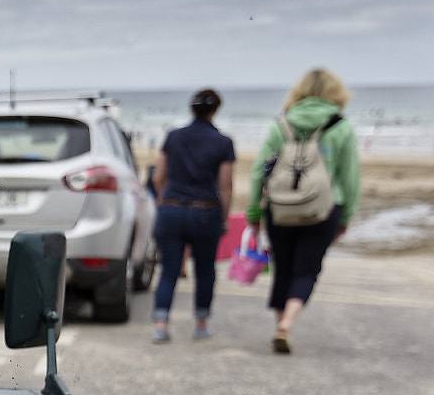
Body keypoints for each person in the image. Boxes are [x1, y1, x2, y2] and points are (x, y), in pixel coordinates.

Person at [246, 68, 360, 354]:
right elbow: (350, 177)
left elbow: (259, 171)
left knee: (282, 267)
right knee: (307, 269)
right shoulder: (341, 126)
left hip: (280, 207)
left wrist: (254, 213)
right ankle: (288, 323)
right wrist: (345, 215)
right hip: (323, 209)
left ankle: (279, 324)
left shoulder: (281, 124)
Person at [151, 89, 235, 343]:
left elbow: (158, 177)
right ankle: (201, 322)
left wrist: (163, 201)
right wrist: (224, 217)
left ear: (191, 108)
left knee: (168, 270)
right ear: (215, 110)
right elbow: (226, 185)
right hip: (205, 211)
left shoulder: (173, 137)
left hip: (171, 208)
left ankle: (162, 324)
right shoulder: (223, 142)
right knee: (206, 270)